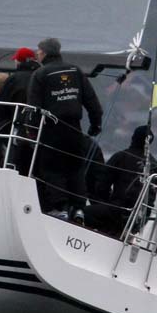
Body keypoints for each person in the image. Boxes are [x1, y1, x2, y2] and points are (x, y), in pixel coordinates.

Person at [27, 37, 103, 217]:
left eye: (38, 51)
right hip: (75, 129)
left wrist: (31, 131)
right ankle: (78, 208)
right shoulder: (75, 70)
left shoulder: (40, 74)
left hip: (51, 130)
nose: (37, 54)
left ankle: (61, 208)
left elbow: (33, 108)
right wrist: (95, 123)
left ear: (44, 53)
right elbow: (91, 100)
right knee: (75, 167)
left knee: (51, 168)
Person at [84, 126, 157, 237]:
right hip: (141, 219)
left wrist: (107, 203)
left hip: (118, 211)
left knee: (80, 213)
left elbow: (101, 187)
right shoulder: (154, 165)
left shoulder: (120, 157)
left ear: (133, 138)